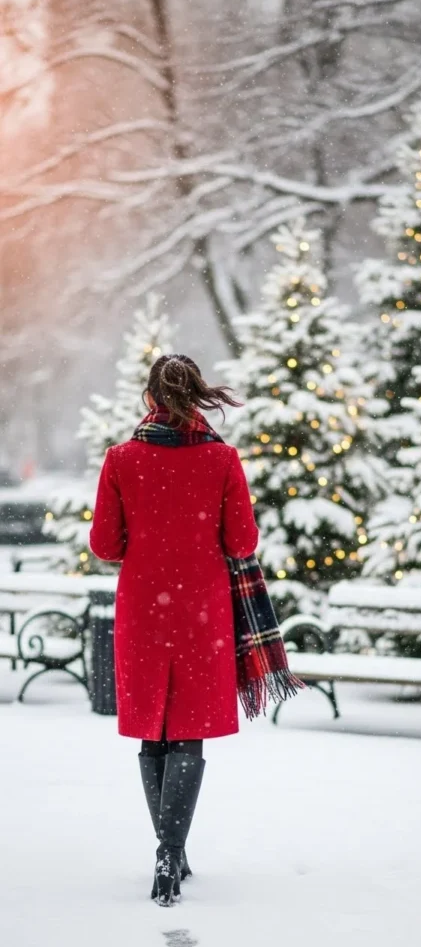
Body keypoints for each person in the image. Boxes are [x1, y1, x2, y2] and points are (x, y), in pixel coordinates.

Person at [89, 354, 259, 906]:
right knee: (188, 728)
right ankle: (172, 851)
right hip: (202, 610)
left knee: (152, 729)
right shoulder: (222, 459)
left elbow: (105, 546)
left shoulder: (121, 459)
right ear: (198, 396)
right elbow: (241, 543)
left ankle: (167, 850)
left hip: (142, 606)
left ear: (150, 399)